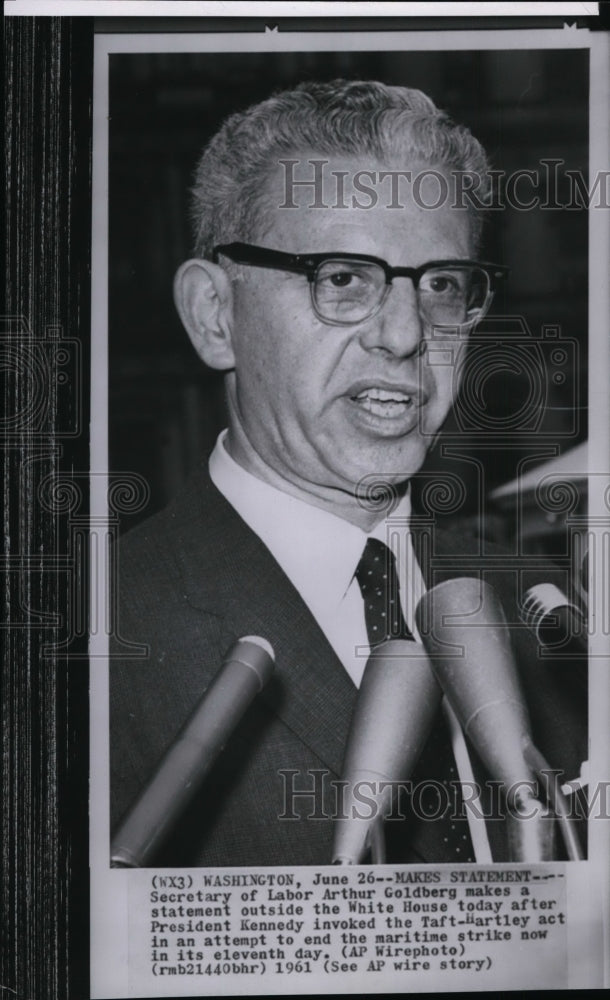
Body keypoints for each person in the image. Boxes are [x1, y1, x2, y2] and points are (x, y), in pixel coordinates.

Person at [110, 79, 586, 867]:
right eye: (341, 278)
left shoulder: (550, 618)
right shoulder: (84, 638)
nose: (405, 333)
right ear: (214, 316)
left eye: (441, 285)